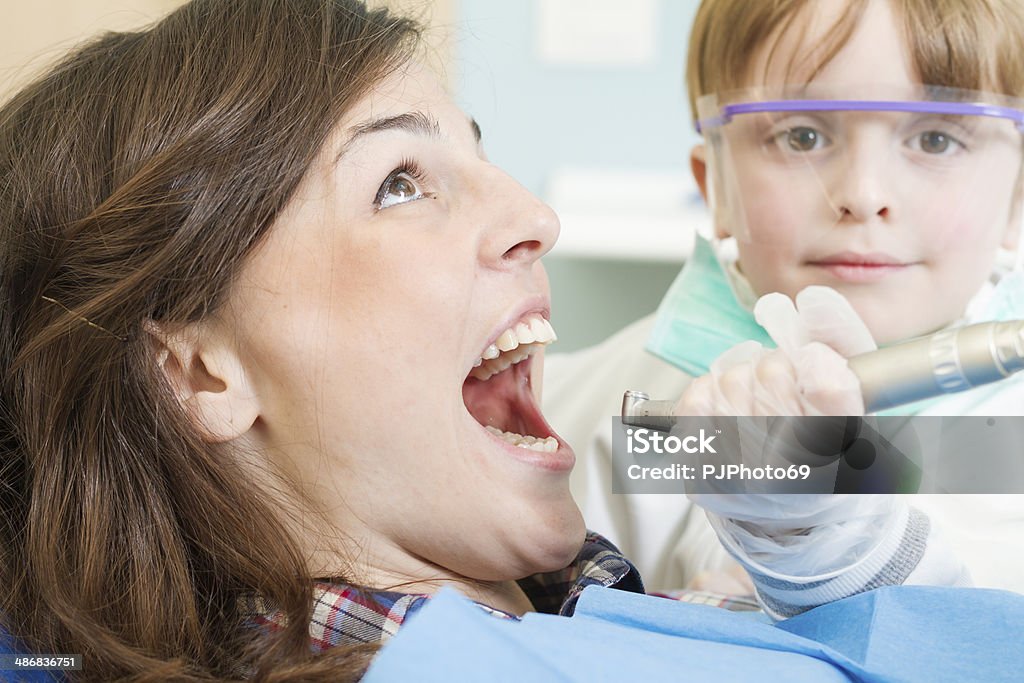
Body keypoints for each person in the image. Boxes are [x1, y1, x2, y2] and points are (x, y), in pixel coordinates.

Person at [0, 0, 967, 680]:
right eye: (399, 182)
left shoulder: (568, 585)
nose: (536, 214)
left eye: (937, 138)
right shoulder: (650, 416)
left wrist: (830, 557)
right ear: (200, 369)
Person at [544, 0, 1024, 601]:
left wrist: (816, 536)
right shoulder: (598, 406)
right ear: (711, 183)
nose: (863, 194)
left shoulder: (1010, 425)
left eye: (935, 138)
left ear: (1016, 198)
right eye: (802, 135)